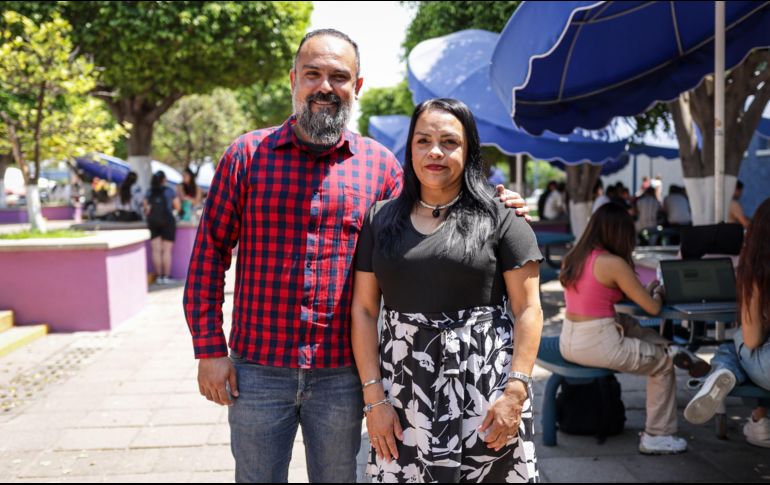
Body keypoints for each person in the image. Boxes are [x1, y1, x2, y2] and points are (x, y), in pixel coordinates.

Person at [183, 29, 530, 483]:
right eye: (313, 74)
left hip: (342, 374)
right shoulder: (246, 156)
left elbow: (433, 214)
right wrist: (209, 348)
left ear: (357, 86)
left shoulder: (380, 166)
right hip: (259, 368)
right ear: (293, 79)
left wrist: (496, 203)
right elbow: (208, 256)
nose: (325, 87)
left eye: (339, 77)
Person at [352, 98, 543, 482]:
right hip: (405, 394)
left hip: (486, 393)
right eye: (423, 141)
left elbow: (529, 309)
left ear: (469, 149)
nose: (435, 152)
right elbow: (364, 310)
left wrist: (515, 393)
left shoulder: (502, 216)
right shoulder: (380, 219)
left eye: (449, 142)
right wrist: (373, 399)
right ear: (410, 148)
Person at [558, 202, 688, 455]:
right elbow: (653, 308)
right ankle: (657, 436)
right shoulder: (612, 263)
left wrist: (646, 293)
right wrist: (660, 291)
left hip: (570, 340)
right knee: (663, 364)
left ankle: (675, 349)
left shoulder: (574, 257)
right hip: (599, 343)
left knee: (628, 324)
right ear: (619, 232)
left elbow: (608, 295)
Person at [684, 197, 770, 448]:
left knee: (736, 342)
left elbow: (752, 340)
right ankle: (758, 422)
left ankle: (720, 372)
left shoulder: (758, 274)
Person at [144, 171, 179, 284]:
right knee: (166, 250)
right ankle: (166, 277)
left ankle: (159, 277)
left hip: (153, 222)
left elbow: (146, 209)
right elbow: (177, 206)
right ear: (164, 179)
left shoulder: (149, 192)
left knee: (156, 250)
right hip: (168, 221)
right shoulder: (170, 191)